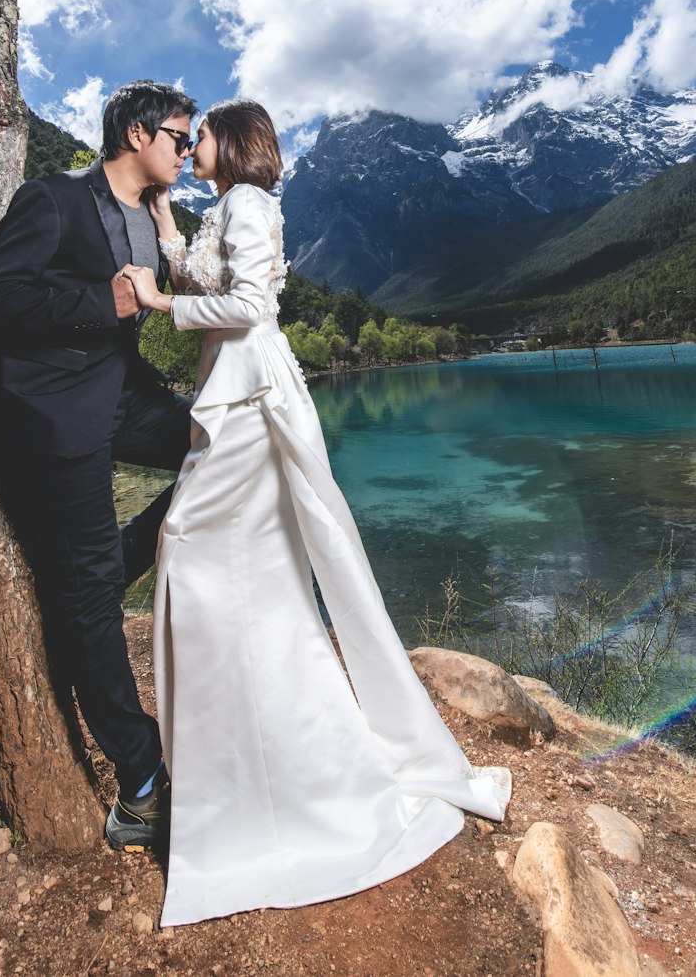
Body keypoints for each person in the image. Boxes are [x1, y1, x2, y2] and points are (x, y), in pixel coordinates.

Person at [130, 99, 512, 927]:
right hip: (234, 396)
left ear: (228, 143)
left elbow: (251, 309)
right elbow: (208, 277)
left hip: (250, 400)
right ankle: (251, 751)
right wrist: (166, 223)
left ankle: (262, 770)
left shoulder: (252, 202)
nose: (187, 143)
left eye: (198, 135)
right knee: (248, 573)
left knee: (190, 546)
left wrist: (160, 305)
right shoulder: (228, 205)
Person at [0, 79, 197, 850]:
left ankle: (109, 566)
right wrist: (104, 300)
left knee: (227, 449)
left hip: (122, 397)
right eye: (178, 137)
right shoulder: (55, 199)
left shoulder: (151, 213)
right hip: (56, 418)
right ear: (137, 133)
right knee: (91, 603)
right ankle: (141, 782)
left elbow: (138, 324)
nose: (187, 152)